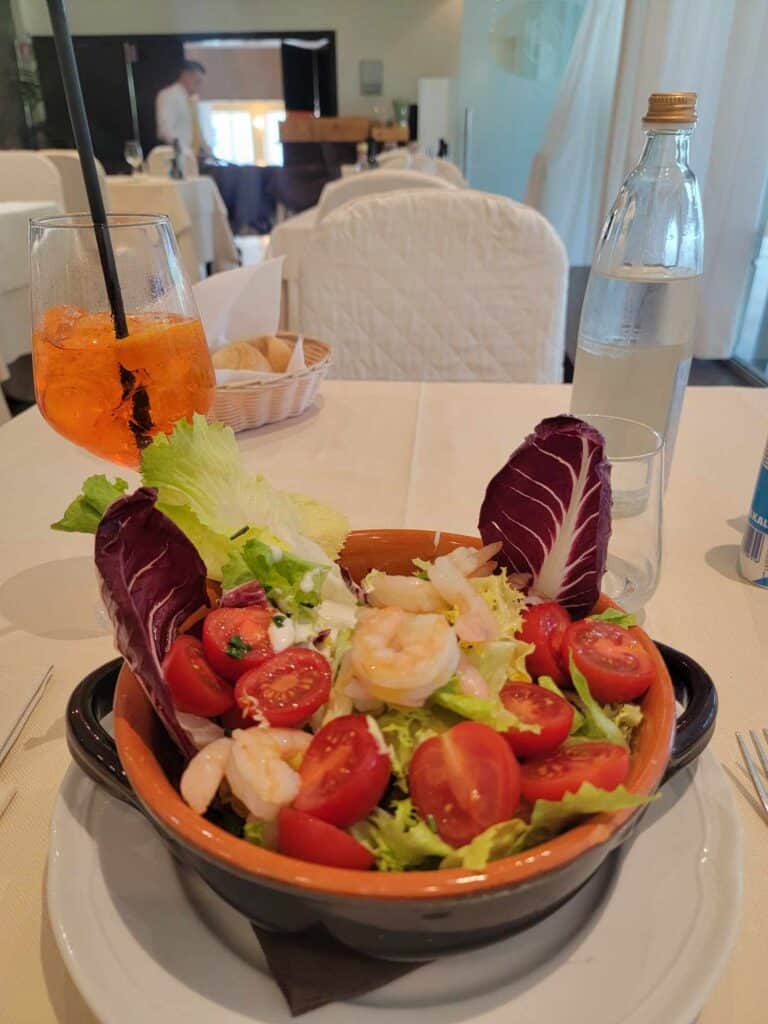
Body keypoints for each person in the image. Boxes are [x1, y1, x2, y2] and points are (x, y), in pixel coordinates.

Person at [155, 60, 211, 157]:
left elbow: (197, 129)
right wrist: (185, 151)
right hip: (179, 155)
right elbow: (165, 130)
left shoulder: (192, 100)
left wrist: (207, 150)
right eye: (197, 81)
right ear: (185, 75)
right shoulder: (168, 95)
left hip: (196, 156)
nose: (199, 86)